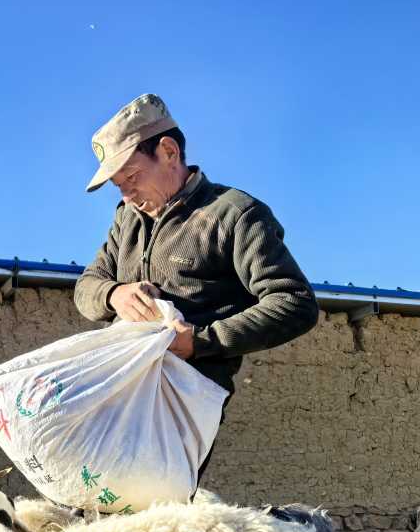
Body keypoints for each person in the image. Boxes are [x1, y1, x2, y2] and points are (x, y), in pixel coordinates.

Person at [75, 93, 319, 485]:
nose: (126, 195)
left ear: (168, 151)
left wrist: (200, 342)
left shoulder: (234, 214)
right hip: (119, 387)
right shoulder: (128, 219)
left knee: (150, 509)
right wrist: (113, 294)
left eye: (132, 177)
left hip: (184, 398)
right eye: (118, 186)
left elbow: (294, 303)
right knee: (90, 499)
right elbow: (87, 287)